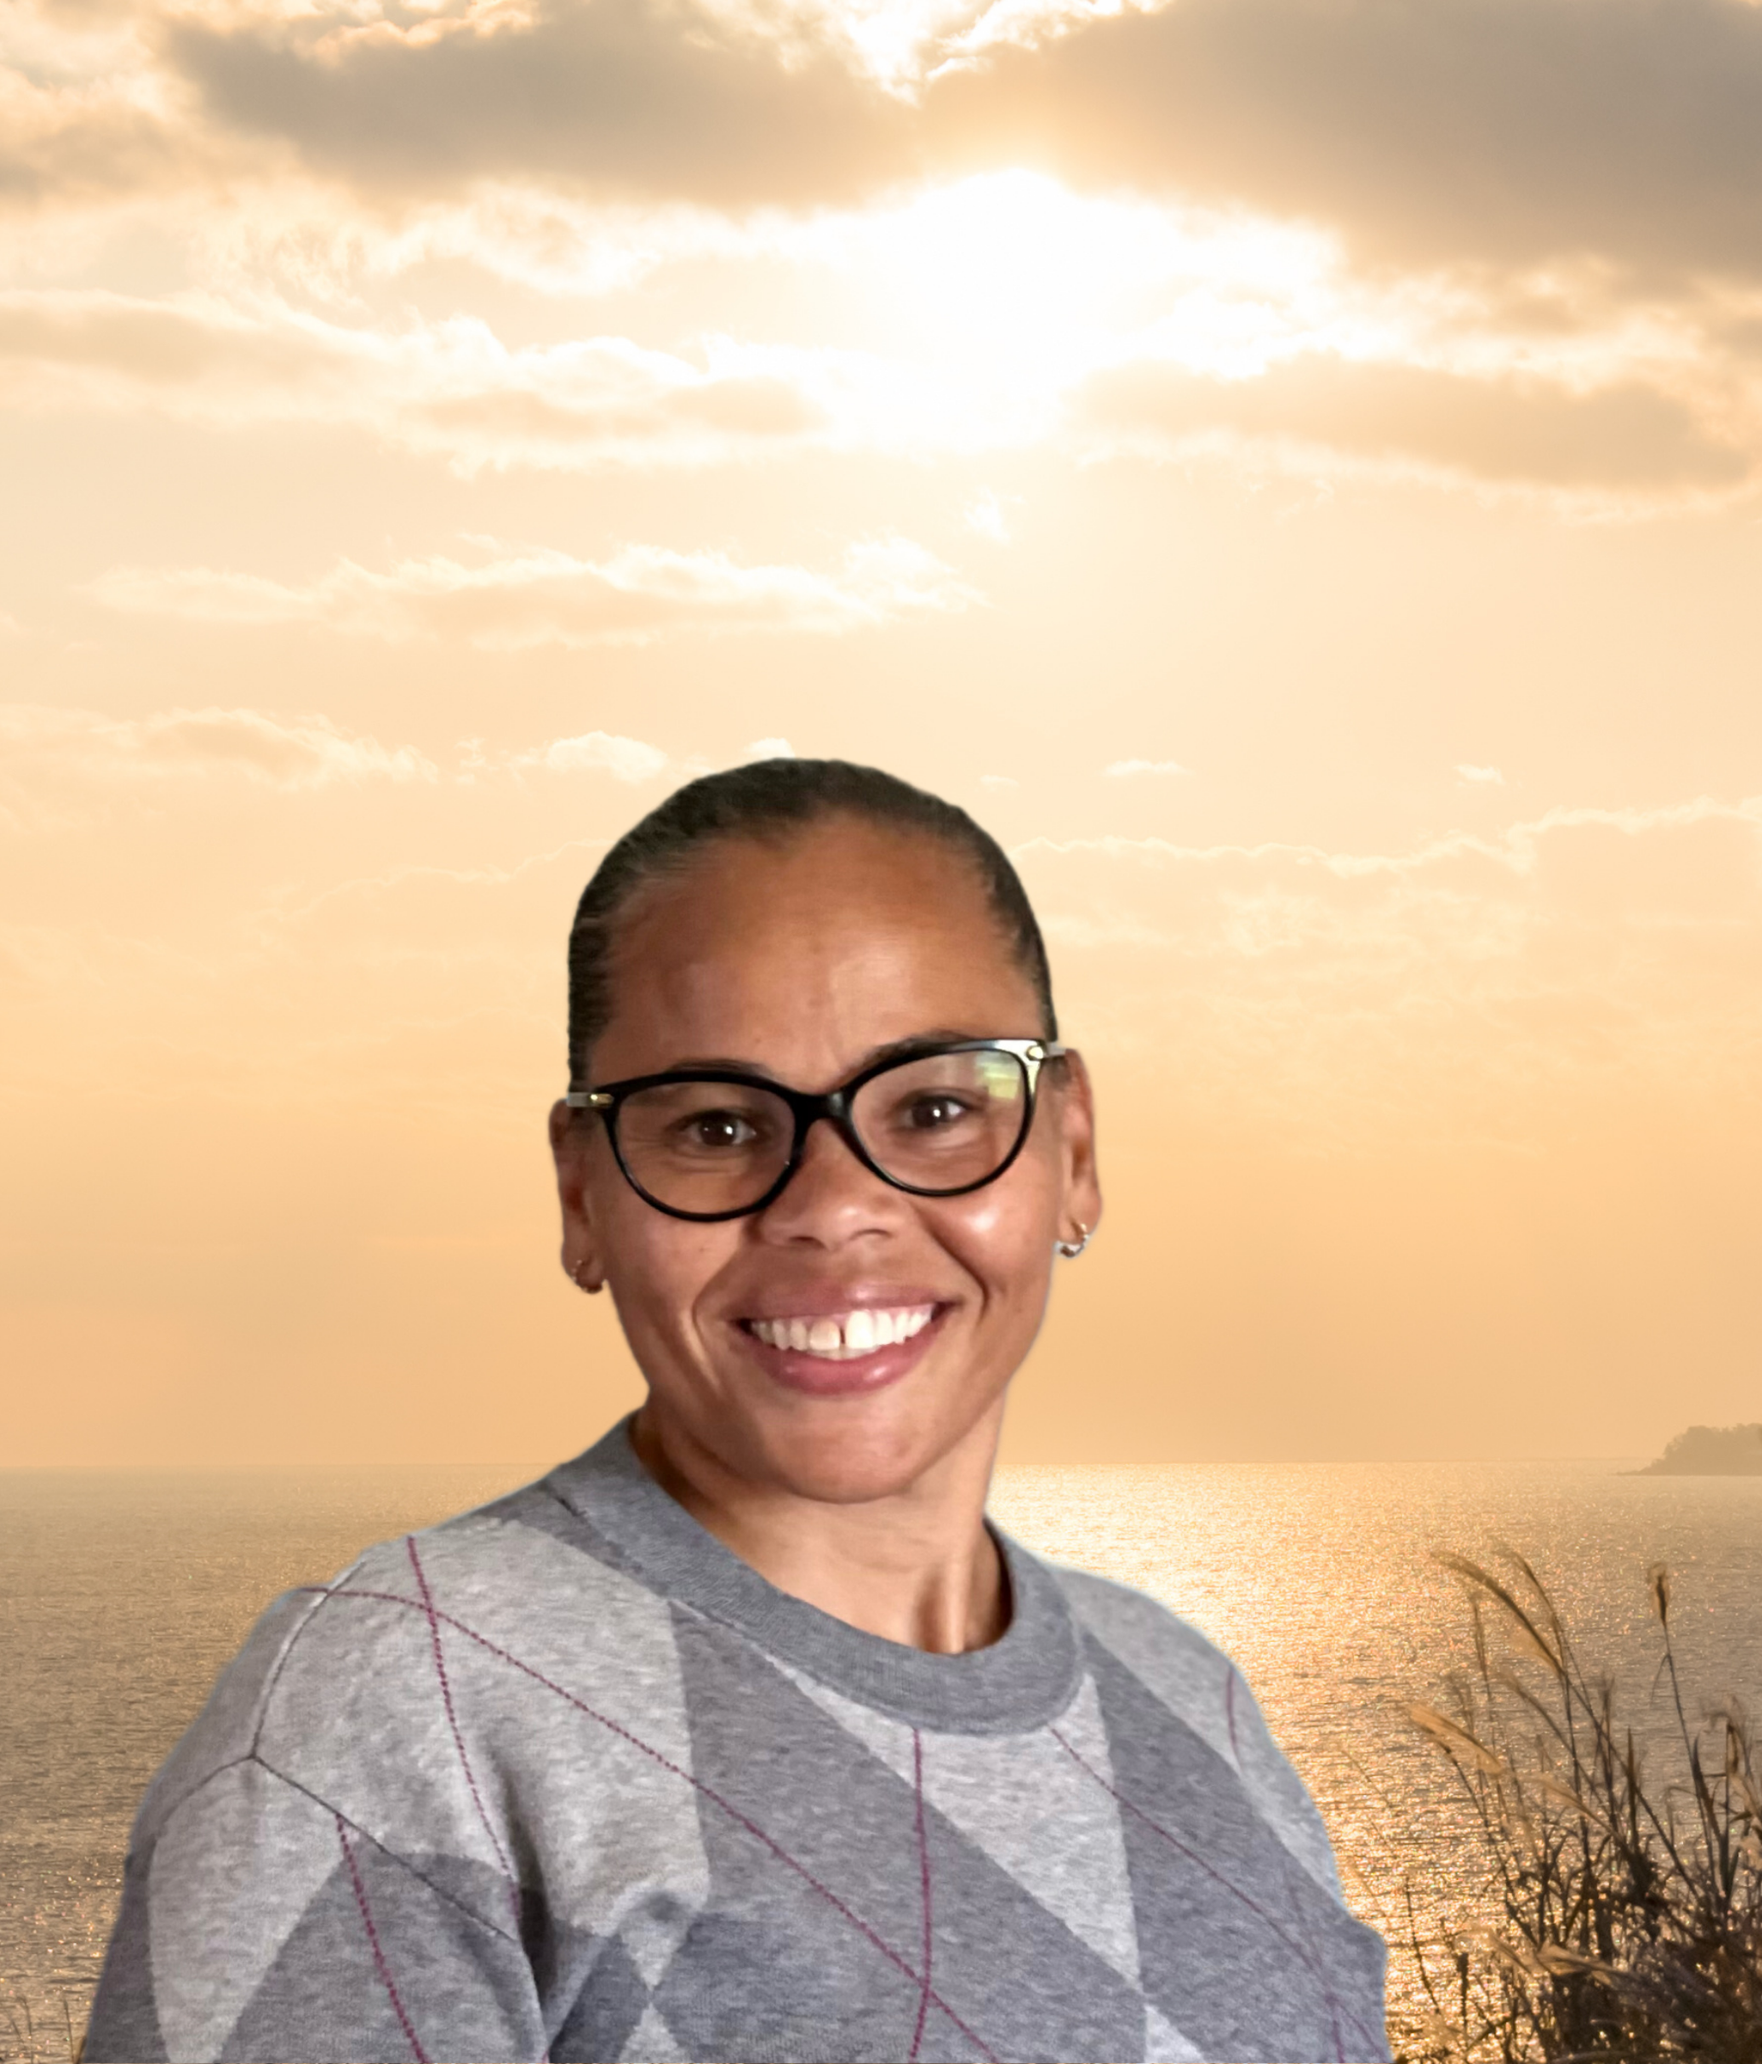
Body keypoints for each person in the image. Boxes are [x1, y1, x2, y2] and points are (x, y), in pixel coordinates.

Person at [84, 757, 1388, 2063]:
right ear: (583, 1196)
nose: (828, 1206)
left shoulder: (1188, 1694)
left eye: (935, 1107)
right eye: (714, 1128)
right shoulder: (407, 1710)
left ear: (1076, 1153)